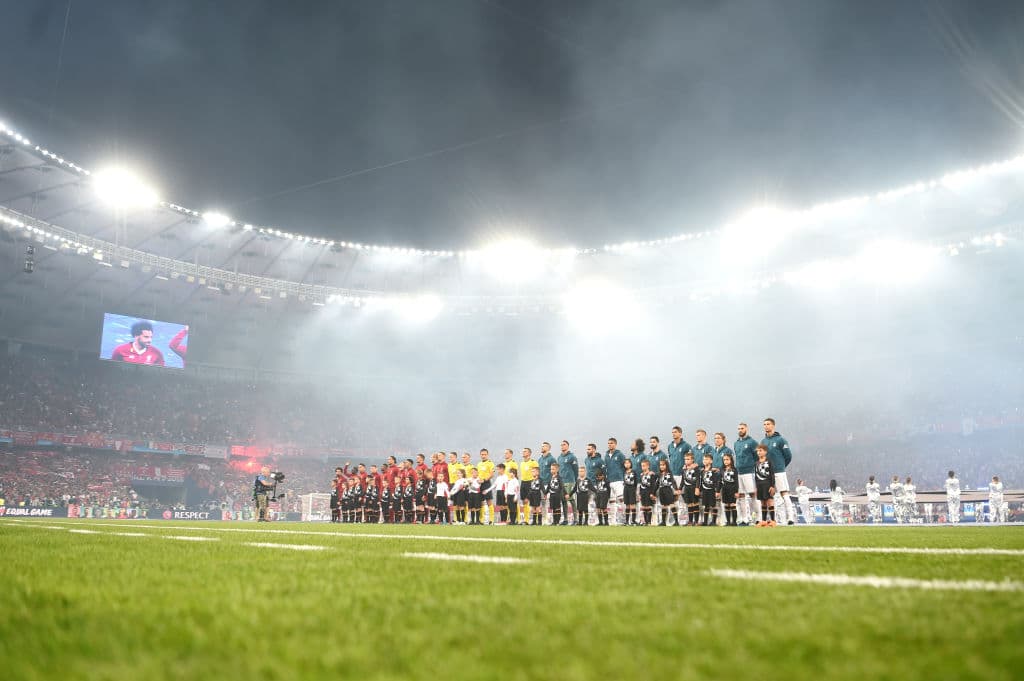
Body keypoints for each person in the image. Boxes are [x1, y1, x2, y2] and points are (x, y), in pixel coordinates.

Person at [761, 418, 794, 525]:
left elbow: (788, 456)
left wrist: (781, 467)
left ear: (773, 426)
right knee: (770, 496)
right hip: (767, 474)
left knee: (784, 494)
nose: (766, 426)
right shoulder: (763, 441)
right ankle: (777, 519)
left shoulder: (781, 440)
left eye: (768, 424)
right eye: (765, 424)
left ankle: (791, 518)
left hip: (779, 472)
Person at [734, 423, 759, 526]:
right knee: (741, 496)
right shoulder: (736, 443)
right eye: (739, 428)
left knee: (753, 494)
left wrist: (753, 468)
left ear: (746, 429)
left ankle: (758, 518)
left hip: (749, 472)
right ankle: (745, 519)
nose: (740, 430)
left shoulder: (752, 442)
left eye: (742, 428)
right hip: (739, 472)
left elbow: (757, 458)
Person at [604, 438, 626, 525]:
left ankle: (625, 519)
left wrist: (623, 478)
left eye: (611, 443)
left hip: (618, 480)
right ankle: (612, 521)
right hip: (609, 481)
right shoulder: (606, 455)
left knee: (621, 500)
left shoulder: (620, 455)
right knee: (612, 501)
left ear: (615, 444)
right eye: (609, 443)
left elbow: (625, 466)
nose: (610, 445)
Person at [754, 444, 776, 527]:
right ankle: (763, 521)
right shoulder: (756, 463)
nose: (759, 452)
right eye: (758, 451)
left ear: (765, 452)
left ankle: (773, 520)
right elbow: (756, 476)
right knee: (762, 503)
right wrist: (756, 487)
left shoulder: (769, 461)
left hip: (767, 484)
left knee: (769, 502)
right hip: (759, 485)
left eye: (760, 450)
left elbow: (772, 474)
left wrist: (772, 486)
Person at [557, 441, 578, 525]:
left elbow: (576, 469)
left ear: (568, 446)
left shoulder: (572, 457)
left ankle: (575, 520)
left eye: (564, 445)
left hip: (570, 481)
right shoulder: (559, 457)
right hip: (562, 482)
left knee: (571, 500)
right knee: (563, 501)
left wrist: (575, 480)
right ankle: (565, 519)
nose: (562, 446)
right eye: (561, 445)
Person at [698, 453, 721, 526]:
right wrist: (700, 489)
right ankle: (705, 521)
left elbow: (717, 481)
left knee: (713, 505)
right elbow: (700, 481)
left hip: (712, 490)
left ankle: (714, 521)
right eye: (704, 459)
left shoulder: (714, 471)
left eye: (707, 459)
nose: (705, 460)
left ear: (711, 461)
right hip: (705, 490)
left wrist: (717, 491)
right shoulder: (702, 471)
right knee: (706, 505)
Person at [537, 442, 557, 525]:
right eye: (541, 446)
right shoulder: (540, 459)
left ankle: (551, 519)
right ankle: (544, 520)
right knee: (542, 502)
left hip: (549, 484)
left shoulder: (552, 459)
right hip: (541, 484)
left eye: (544, 446)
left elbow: (555, 470)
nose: (542, 447)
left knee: (550, 502)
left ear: (549, 448)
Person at [519, 448, 539, 525]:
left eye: (525, 451)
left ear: (529, 453)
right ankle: (526, 520)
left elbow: (537, 473)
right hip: (523, 482)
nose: (523, 452)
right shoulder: (521, 463)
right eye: (523, 451)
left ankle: (535, 520)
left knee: (533, 502)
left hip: (531, 482)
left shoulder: (533, 462)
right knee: (524, 501)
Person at [656, 459, 678, 526]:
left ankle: (676, 521)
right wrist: (653, 492)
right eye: (660, 465)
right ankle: (663, 522)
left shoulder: (669, 473)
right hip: (661, 490)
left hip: (668, 490)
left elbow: (673, 482)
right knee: (663, 506)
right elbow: (657, 484)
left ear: (667, 465)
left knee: (672, 504)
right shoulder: (659, 474)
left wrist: (676, 489)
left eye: (663, 465)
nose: (662, 466)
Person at [681, 452, 700, 526]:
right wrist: (680, 488)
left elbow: (698, 479)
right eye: (685, 459)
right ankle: (690, 521)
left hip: (693, 488)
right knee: (689, 505)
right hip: (687, 489)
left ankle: (696, 521)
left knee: (695, 504)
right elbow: (683, 480)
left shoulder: (696, 468)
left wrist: (697, 488)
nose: (686, 461)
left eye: (688, 459)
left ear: (692, 460)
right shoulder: (684, 469)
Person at [477, 449, 495, 524]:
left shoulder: (490, 463)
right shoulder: (479, 464)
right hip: (479, 485)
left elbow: (492, 474)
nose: (483, 456)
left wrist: (484, 480)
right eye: (482, 454)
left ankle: (491, 520)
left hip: (486, 484)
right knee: (481, 502)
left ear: (487, 455)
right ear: (480, 455)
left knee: (489, 501)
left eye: (485, 454)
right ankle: (481, 520)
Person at [720, 453, 739, 526]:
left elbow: (736, 481)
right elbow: (720, 481)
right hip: (725, 490)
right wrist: (718, 491)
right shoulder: (722, 470)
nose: (725, 461)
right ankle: (728, 522)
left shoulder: (734, 470)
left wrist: (736, 491)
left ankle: (734, 522)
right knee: (726, 505)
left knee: (732, 505)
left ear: (731, 460)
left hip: (732, 489)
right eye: (724, 460)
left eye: (727, 459)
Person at [622, 457, 638, 526]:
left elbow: (636, 482)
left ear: (630, 464)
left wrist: (635, 490)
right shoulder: (624, 472)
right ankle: (626, 521)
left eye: (628, 463)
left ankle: (633, 521)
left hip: (632, 489)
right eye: (625, 463)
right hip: (626, 489)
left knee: (632, 505)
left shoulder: (633, 471)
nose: (627, 464)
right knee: (627, 505)